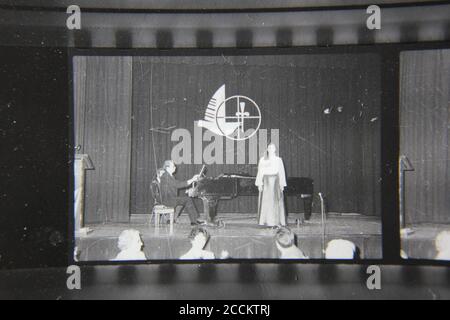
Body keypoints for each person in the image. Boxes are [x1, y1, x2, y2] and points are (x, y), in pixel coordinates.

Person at [159, 160, 203, 226]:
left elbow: (175, 186)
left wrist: (187, 190)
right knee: (187, 199)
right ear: (168, 168)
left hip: (170, 198)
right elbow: (178, 184)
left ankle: (194, 221)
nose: (175, 167)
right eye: (173, 166)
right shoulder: (166, 176)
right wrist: (192, 180)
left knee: (186, 199)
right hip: (168, 200)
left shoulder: (169, 176)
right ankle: (194, 221)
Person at [255, 143, 287, 227]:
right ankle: (265, 221)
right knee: (266, 202)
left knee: (275, 202)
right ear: (267, 149)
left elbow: (281, 172)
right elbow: (260, 172)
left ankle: (275, 222)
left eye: (273, 148)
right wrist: (259, 184)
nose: (271, 149)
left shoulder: (278, 160)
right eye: (269, 148)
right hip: (266, 183)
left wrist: (282, 184)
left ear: (275, 150)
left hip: (275, 183)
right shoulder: (263, 160)